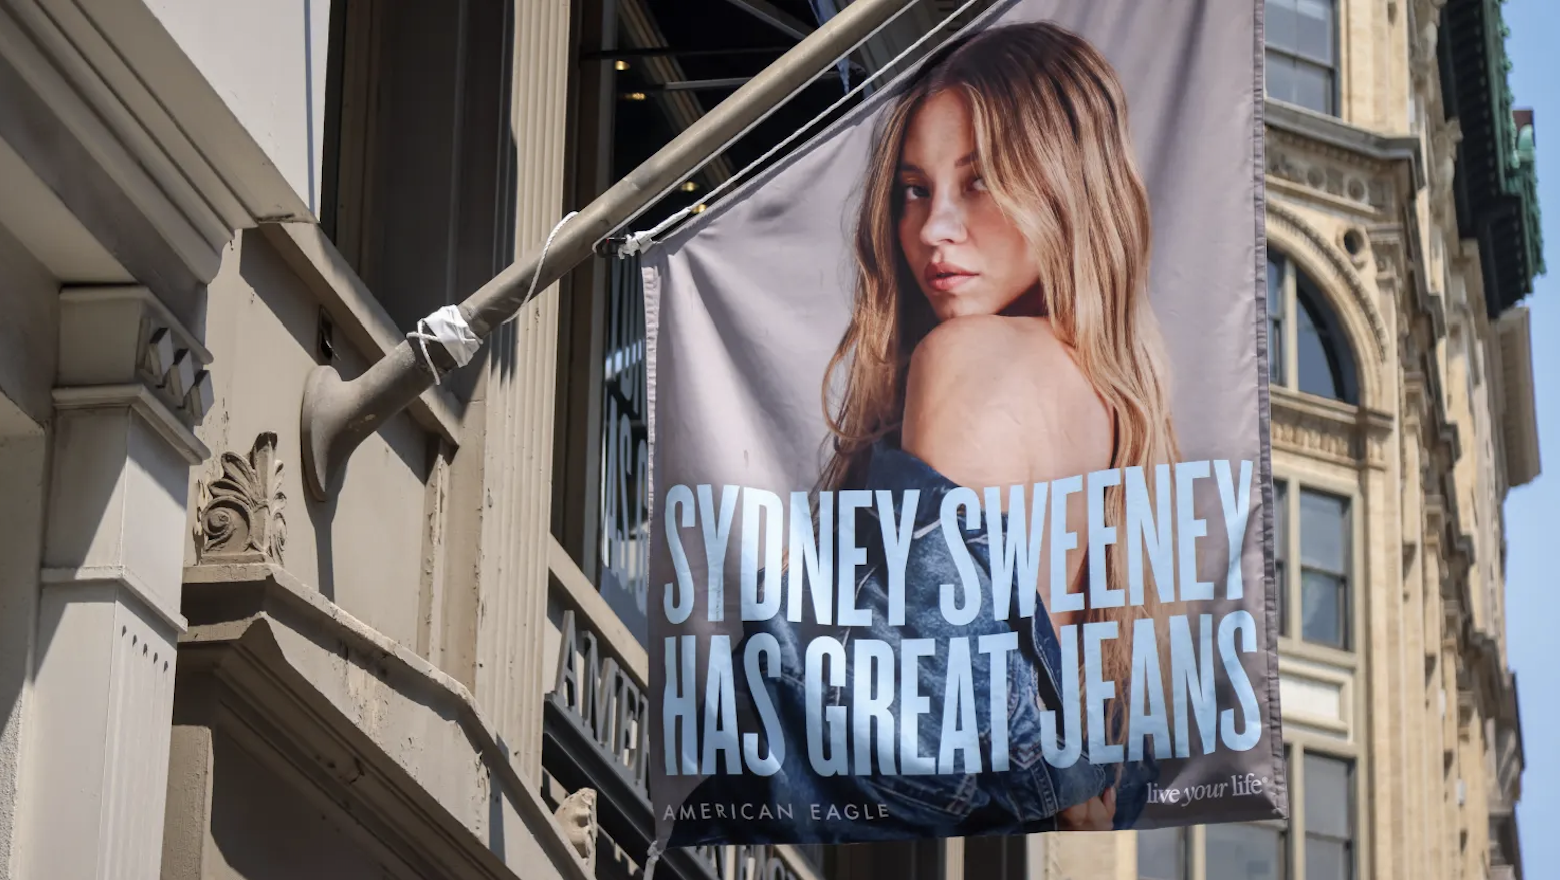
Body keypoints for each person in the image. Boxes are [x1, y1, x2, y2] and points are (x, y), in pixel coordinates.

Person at [666, 19, 1179, 846]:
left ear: (1063, 186)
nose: (935, 229)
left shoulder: (964, 357)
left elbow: (917, 744)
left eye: (979, 182)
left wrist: (772, 638)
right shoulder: (1116, 419)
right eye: (914, 190)